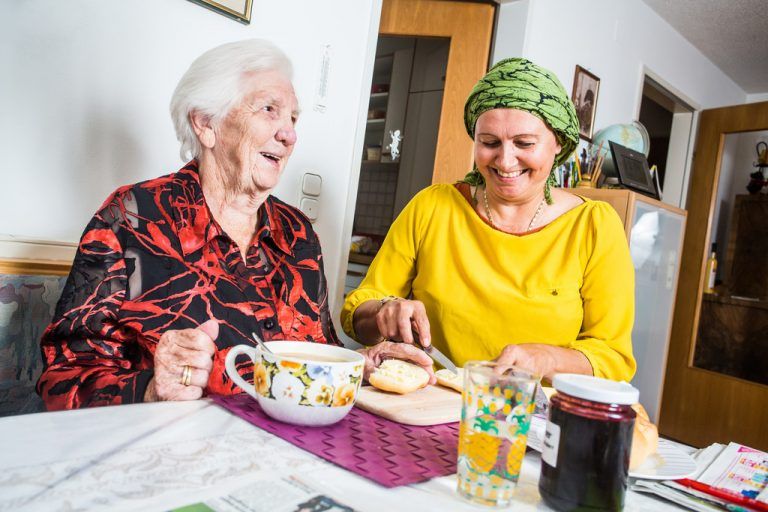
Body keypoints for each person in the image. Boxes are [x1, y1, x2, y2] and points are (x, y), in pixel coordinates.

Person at [37, 39, 433, 411]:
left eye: (293, 117)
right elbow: (63, 378)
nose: (290, 134)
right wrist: (151, 389)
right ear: (206, 124)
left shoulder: (298, 234)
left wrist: (362, 366)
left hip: (287, 447)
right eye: (269, 109)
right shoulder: (132, 219)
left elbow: (317, 354)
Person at [341, 58, 636, 382]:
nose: (505, 161)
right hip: (430, 399)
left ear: (559, 143)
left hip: (532, 410)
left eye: (524, 143)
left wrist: (546, 358)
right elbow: (357, 309)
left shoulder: (594, 227)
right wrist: (384, 309)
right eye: (489, 142)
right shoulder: (432, 207)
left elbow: (613, 357)